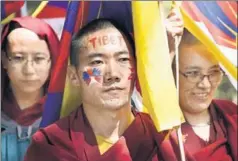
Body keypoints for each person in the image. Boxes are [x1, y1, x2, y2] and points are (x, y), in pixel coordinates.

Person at [24, 8, 184, 160]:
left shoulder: (161, 136)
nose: (112, 74)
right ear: (74, 76)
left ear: (136, 68)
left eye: (123, 60)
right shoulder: (51, 145)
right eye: (97, 62)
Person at [160, 29, 237, 161]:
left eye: (213, 73)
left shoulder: (231, 114)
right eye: (194, 73)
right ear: (172, 72)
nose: (205, 85)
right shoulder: (158, 127)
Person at [1, 17, 60, 161]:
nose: (29, 70)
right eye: (18, 58)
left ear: (51, 60)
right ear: (3, 59)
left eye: (39, 58)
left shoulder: (66, 116)